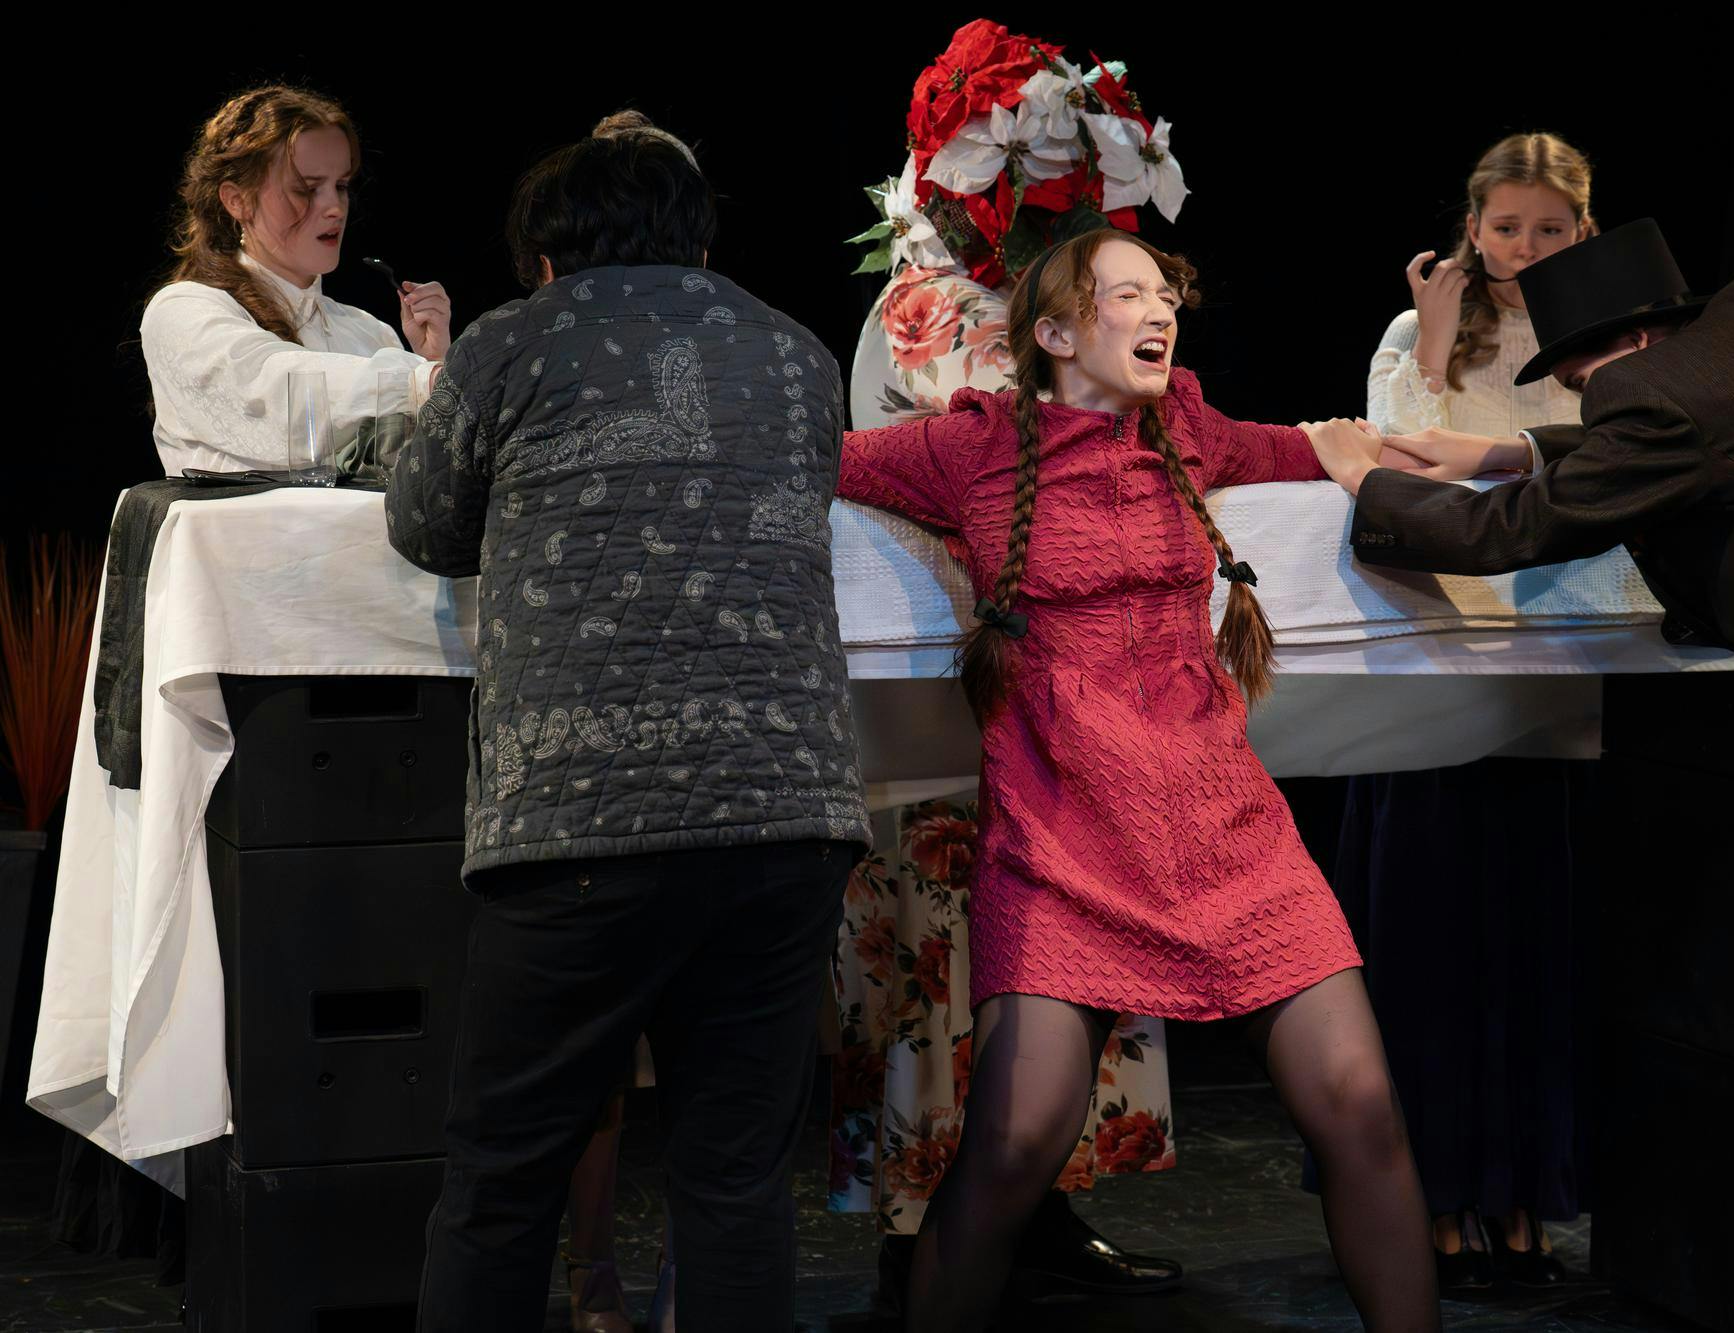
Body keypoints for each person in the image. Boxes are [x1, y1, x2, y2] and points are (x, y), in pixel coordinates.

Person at [1316, 218, 1734, 1333]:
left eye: (1576, 376)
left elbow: (1519, 534)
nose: (1573, 400)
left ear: (1630, 342)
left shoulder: (1657, 397)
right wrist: (1505, 448)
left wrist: (1367, 486)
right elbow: (1688, 437)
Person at [837, 226, 1440, 1332]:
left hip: (1225, 830)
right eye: (1127, 296)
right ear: (1057, 333)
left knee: (1360, 1107)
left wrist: (1478, 454)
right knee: (1014, 1144)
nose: (1159, 311)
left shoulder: (1189, 429)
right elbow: (816, 460)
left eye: (1164, 294)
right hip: (1064, 839)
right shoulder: (972, 447)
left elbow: (1312, 447)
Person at [385, 114, 869, 1333]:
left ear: (546, 254)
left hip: (578, 829)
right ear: (694, 239)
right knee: (736, 1184)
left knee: (502, 1185)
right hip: (786, 823)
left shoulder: (511, 341)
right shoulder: (798, 352)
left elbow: (425, 526)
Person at [834, 21, 1185, 1309]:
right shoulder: (933, 303)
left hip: (1060, 675)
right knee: (955, 932)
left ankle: (1046, 1204)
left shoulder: (1060, 310)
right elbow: (1006, 452)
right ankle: (927, 1228)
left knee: (1071, 937)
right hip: (953, 667)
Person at [1338, 130, 1595, 1289]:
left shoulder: (1597, 344)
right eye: (1505, 228)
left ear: (1584, 233)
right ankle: (1435, 1200)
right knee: (1428, 944)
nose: (1523, 248)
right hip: (1435, 663)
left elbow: (1609, 464)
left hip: (1555, 673)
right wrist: (1435, 347)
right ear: (1471, 225)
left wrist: (1486, 448)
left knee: (1534, 946)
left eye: (1549, 230)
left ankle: (1524, 1198)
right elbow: (1386, 469)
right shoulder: (1414, 333)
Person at [140, 84, 451, 476]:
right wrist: (428, 380)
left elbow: (426, 486)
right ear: (237, 200)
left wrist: (433, 360)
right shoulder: (182, 312)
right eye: (306, 189)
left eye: (340, 186)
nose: (334, 208)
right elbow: (282, 399)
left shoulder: (370, 335)